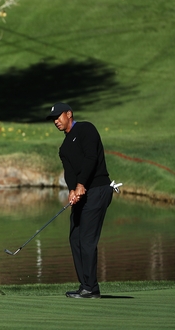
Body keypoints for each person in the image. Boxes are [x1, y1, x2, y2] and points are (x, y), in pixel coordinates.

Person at [47, 102, 113, 299]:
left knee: (86, 239)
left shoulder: (86, 129)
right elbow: (69, 173)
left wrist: (81, 184)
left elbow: (91, 159)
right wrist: (71, 190)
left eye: (59, 116)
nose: (56, 121)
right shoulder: (64, 147)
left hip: (98, 189)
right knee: (75, 237)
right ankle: (86, 285)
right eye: (53, 119)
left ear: (69, 114)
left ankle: (91, 288)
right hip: (81, 192)